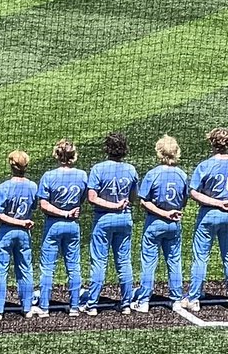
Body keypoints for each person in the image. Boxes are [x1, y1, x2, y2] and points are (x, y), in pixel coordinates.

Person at [82, 132, 137, 315]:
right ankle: (126, 304)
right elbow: (133, 197)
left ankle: (92, 305)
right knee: (124, 262)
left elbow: (92, 198)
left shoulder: (98, 169)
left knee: (99, 262)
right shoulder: (131, 169)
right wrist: (120, 204)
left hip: (104, 219)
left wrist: (112, 205)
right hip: (124, 218)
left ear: (107, 148)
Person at [132, 135, 187, 312]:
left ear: (159, 152)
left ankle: (143, 301)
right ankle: (176, 299)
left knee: (149, 262)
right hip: (174, 223)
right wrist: (172, 211)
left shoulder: (153, 174)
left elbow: (143, 201)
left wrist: (162, 212)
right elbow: (184, 200)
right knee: (174, 261)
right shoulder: (182, 174)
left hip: (154, 223)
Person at [36, 139, 86, 317]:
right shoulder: (82, 175)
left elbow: (43, 205)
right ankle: (74, 307)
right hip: (73, 226)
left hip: (53, 225)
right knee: (73, 267)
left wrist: (62, 213)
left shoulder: (49, 176)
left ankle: (44, 307)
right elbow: (81, 199)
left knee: (48, 267)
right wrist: (70, 212)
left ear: (57, 155)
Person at [0, 151, 39, 320]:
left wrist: (16, 221)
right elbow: (33, 207)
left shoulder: (4, 187)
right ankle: (27, 308)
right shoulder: (33, 186)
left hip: (6, 232)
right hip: (24, 233)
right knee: (25, 269)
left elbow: (0, 215)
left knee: (1, 271)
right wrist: (22, 222)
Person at [185, 127, 228, 311]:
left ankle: (194, 298)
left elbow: (193, 192)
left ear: (212, 143)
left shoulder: (205, 165)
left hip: (208, 215)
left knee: (201, 257)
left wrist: (216, 202)